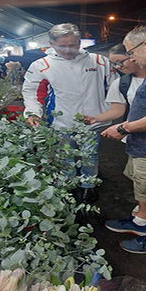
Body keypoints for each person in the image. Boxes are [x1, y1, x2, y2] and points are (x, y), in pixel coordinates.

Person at [22, 23, 118, 204]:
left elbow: (115, 88)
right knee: (64, 157)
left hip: (93, 120)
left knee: (90, 155)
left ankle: (88, 186)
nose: (68, 50)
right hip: (61, 122)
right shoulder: (42, 66)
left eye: (72, 45)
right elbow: (33, 93)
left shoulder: (98, 61)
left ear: (79, 42)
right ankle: (68, 186)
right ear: (51, 44)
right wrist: (33, 113)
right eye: (62, 46)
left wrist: (110, 113)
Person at [102, 26, 146, 254]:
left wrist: (124, 127)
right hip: (139, 147)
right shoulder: (127, 80)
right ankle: (140, 223)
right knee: (141, 190)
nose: (131, 58)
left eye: (132, 52)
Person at [83, 43, 146, 126]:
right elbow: (117, 109)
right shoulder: (121, 83)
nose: (117, 67)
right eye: (113, 64)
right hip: (135, 133)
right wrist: (96, 118)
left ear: (133, 56)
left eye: (120, 62)